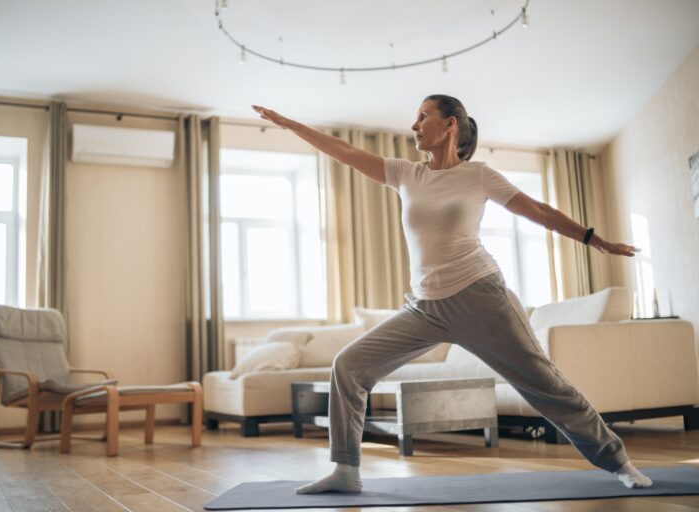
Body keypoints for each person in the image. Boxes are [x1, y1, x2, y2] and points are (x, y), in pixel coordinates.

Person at [251, 96, 653, 492]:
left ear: (450, 124)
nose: (413, 125)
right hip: (425, 308)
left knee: (544, 385)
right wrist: (292, 125)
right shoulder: (406, 174)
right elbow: (343, 151)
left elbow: (539, 211)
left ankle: (619, 462)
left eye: (422, 116)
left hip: (481, 298)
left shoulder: (478, 175)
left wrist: (594, 239)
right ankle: (345, 471)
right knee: (349, 365)